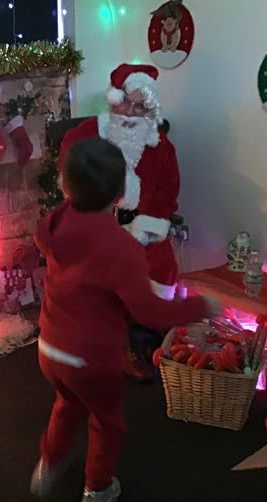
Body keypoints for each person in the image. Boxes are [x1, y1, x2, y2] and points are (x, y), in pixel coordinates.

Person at [32, 138, 218, 501]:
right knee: (106, 423)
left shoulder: (54, 222)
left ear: (65, 186)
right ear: (121, 193)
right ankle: (98, 488)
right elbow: (149, 312)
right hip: (91, 360)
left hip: (50, 348)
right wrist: (201, 308)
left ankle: (48, 465)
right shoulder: (120, 248)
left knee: (67, 404)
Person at [58, 63, 182, 381]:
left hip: (142, 224)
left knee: (162, 266)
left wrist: (146, 226)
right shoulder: (90, 133)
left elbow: (168, 190)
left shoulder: (160, 146)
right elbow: (70, 170)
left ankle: (142, 336)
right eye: (126, 102)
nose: (131, 112)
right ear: (115, 100)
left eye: (140, 106)